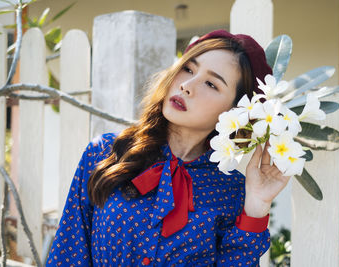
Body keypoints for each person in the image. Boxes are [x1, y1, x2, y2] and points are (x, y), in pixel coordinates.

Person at [45, 29, 291, 266]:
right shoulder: (105, 152)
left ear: (235, 112)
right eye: (188, 68)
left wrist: (256, 208)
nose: (187, 85)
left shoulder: (233, 192)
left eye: (211, 84)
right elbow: (68, 254)